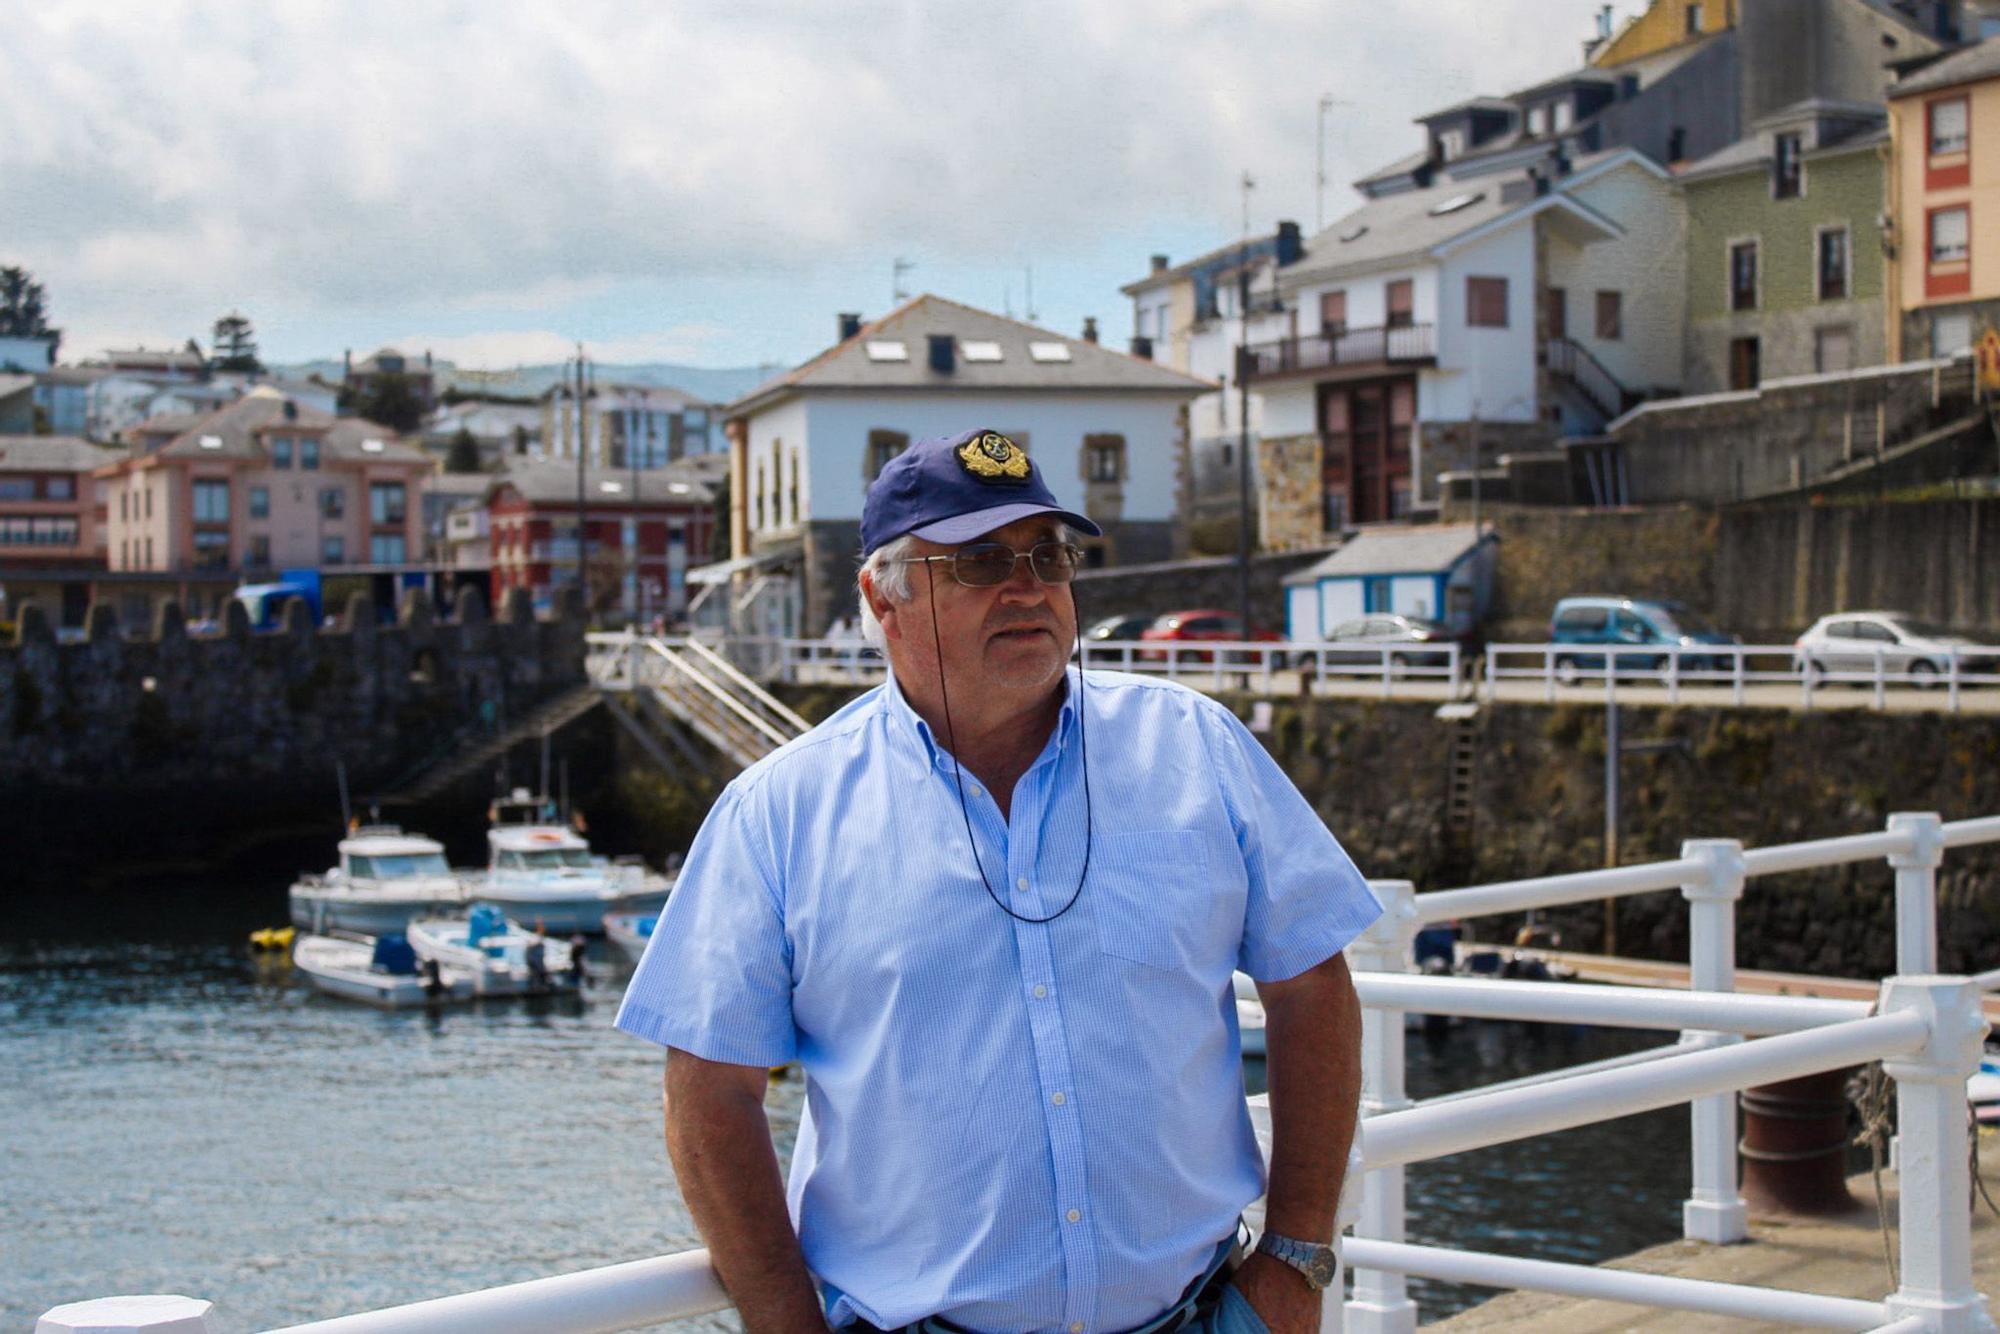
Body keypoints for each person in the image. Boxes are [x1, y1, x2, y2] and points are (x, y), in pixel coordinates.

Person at [617, 427, 1381, 1334]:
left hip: (1202, 1315)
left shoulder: (1195, 750)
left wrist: (1295, 1261)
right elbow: (708, 1094)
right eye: (980, 563)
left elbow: (1312, 985)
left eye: (1047, 556)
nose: (1028, 587)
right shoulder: (779, 814)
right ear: (882, 595)